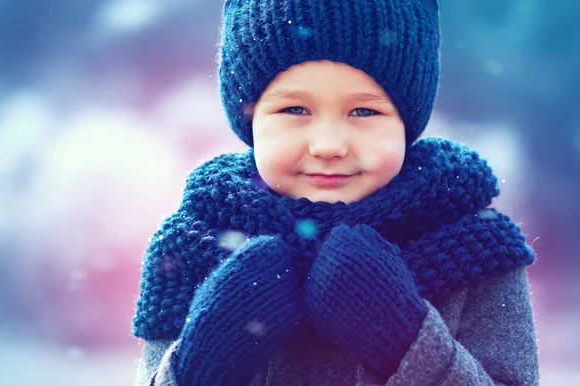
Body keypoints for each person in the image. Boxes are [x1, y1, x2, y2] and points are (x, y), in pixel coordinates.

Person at [133, 0, 539, 384]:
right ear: (250, 120)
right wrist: (203, 361)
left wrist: (406, 340)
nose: (328, 144)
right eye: (294, 110)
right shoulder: (191, 248)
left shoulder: (475, 249)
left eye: (364, 111)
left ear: (407, 123)